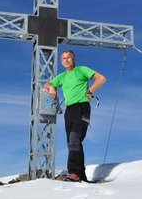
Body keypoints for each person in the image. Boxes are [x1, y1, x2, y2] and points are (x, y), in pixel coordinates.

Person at [44, 50, 107, 182]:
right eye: (63, 58)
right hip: (69, 110)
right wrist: (52, 88)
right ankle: (80, 175)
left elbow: (101, 79)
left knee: (74, 139)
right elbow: (47, 84)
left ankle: (73, 172)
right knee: (72, 143)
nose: (66, 60)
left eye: (68, 58)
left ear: (74, 59)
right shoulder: (61, 77)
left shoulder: (82, 70)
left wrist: (90, 90)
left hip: (82, 107)